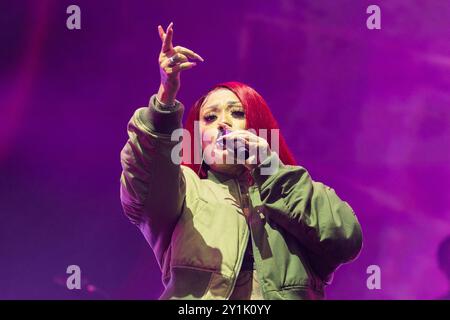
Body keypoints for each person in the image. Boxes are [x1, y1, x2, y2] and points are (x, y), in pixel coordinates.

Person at [120, 22, 363, 300]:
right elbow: (144, 176)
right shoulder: (183, 190)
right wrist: (165, 98)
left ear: (258, 127)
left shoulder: (295, 192)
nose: (223, 122)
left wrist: (269, 168)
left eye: (236, 113)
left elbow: (345, 239)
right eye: (210, 118)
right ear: (198, 139)